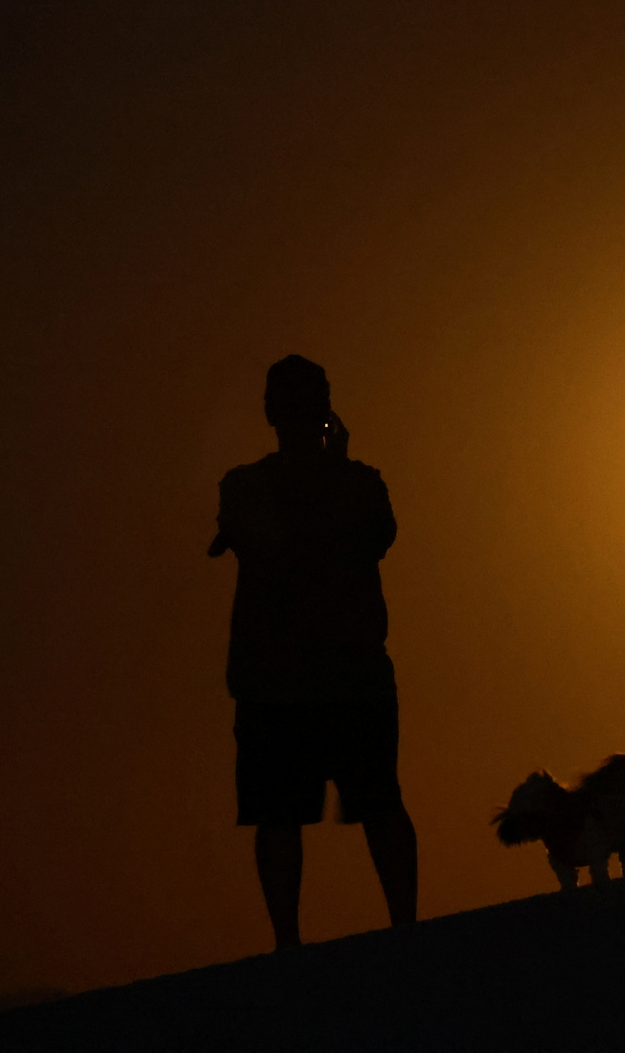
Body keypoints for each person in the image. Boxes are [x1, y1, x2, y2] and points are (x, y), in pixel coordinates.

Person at [208, 355, 417, 948]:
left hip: (300, 675)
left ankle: (293, 944)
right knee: (363, 807)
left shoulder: (282, 484)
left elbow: (356, 539)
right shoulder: (348, 483)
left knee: (314, 813)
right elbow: (347, 540)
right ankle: (395, 933)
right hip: (315, 674)